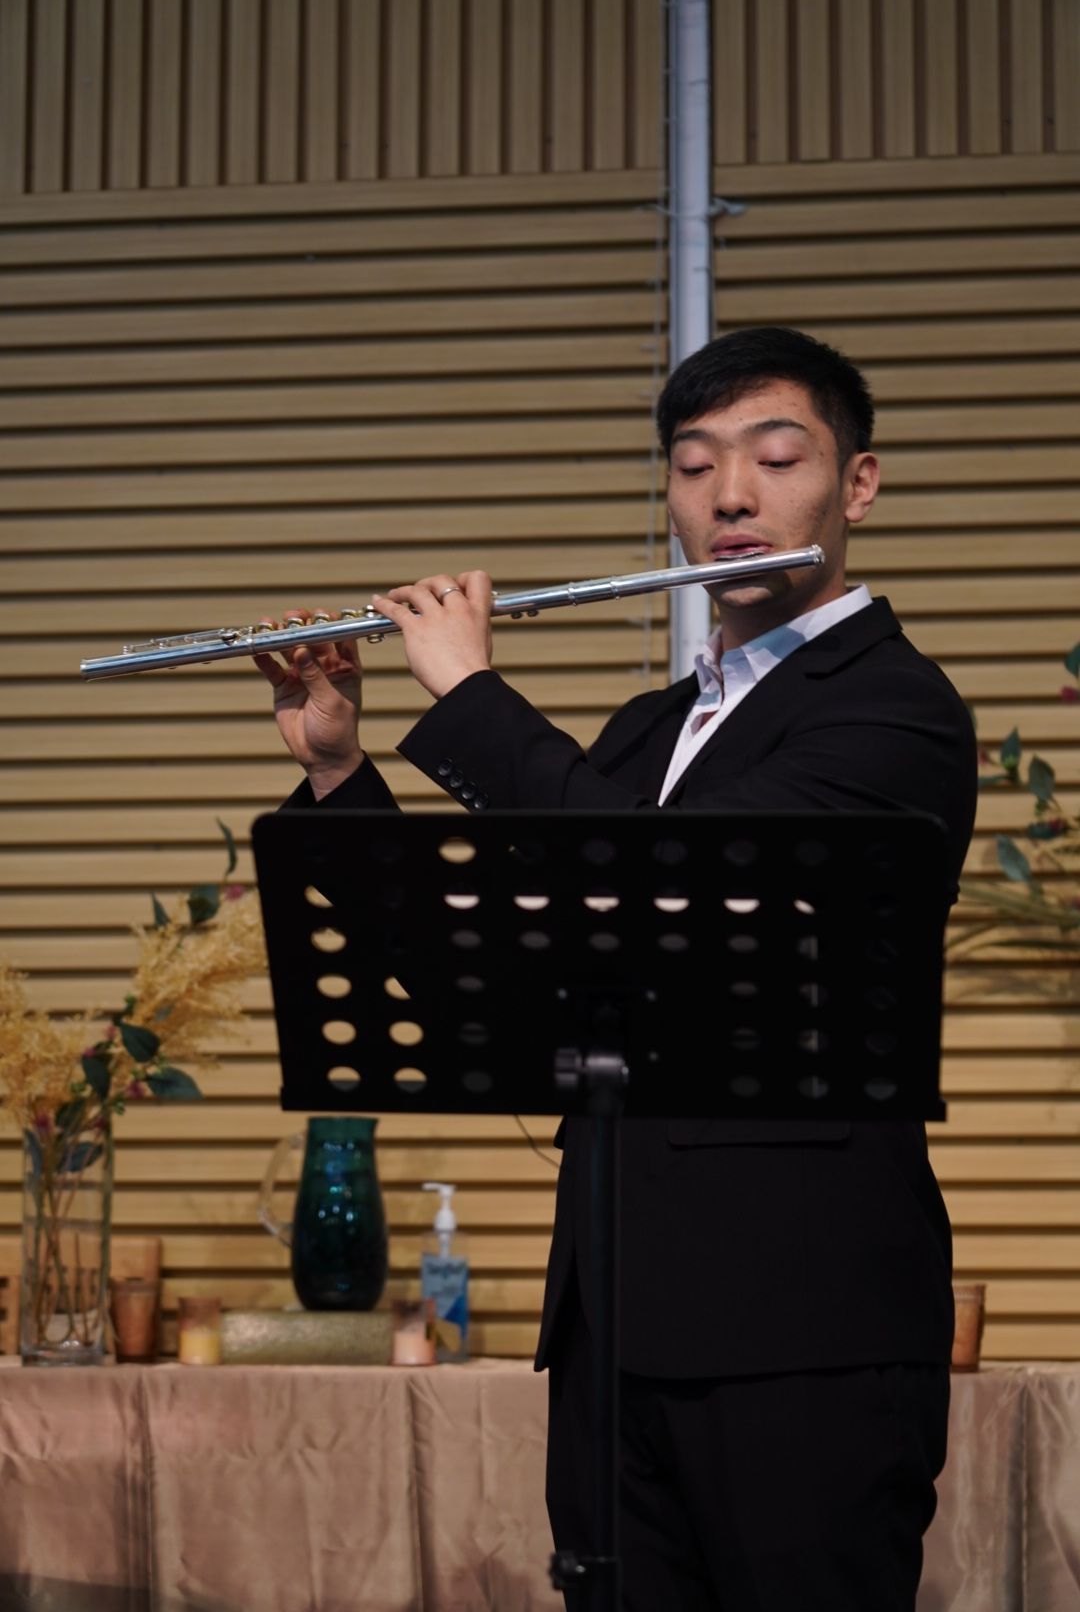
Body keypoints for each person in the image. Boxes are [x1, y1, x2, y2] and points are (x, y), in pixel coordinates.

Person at [256, 326, 977, 1610]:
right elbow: (488, 982)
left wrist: (470, 692)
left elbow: (680, 895)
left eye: (775, 458)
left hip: (803, 1331)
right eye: (695, 466)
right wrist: (338, 769)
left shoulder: (894, 709)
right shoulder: (647, 731)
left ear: (856, 484)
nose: (731, 495)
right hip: (614, 1329)